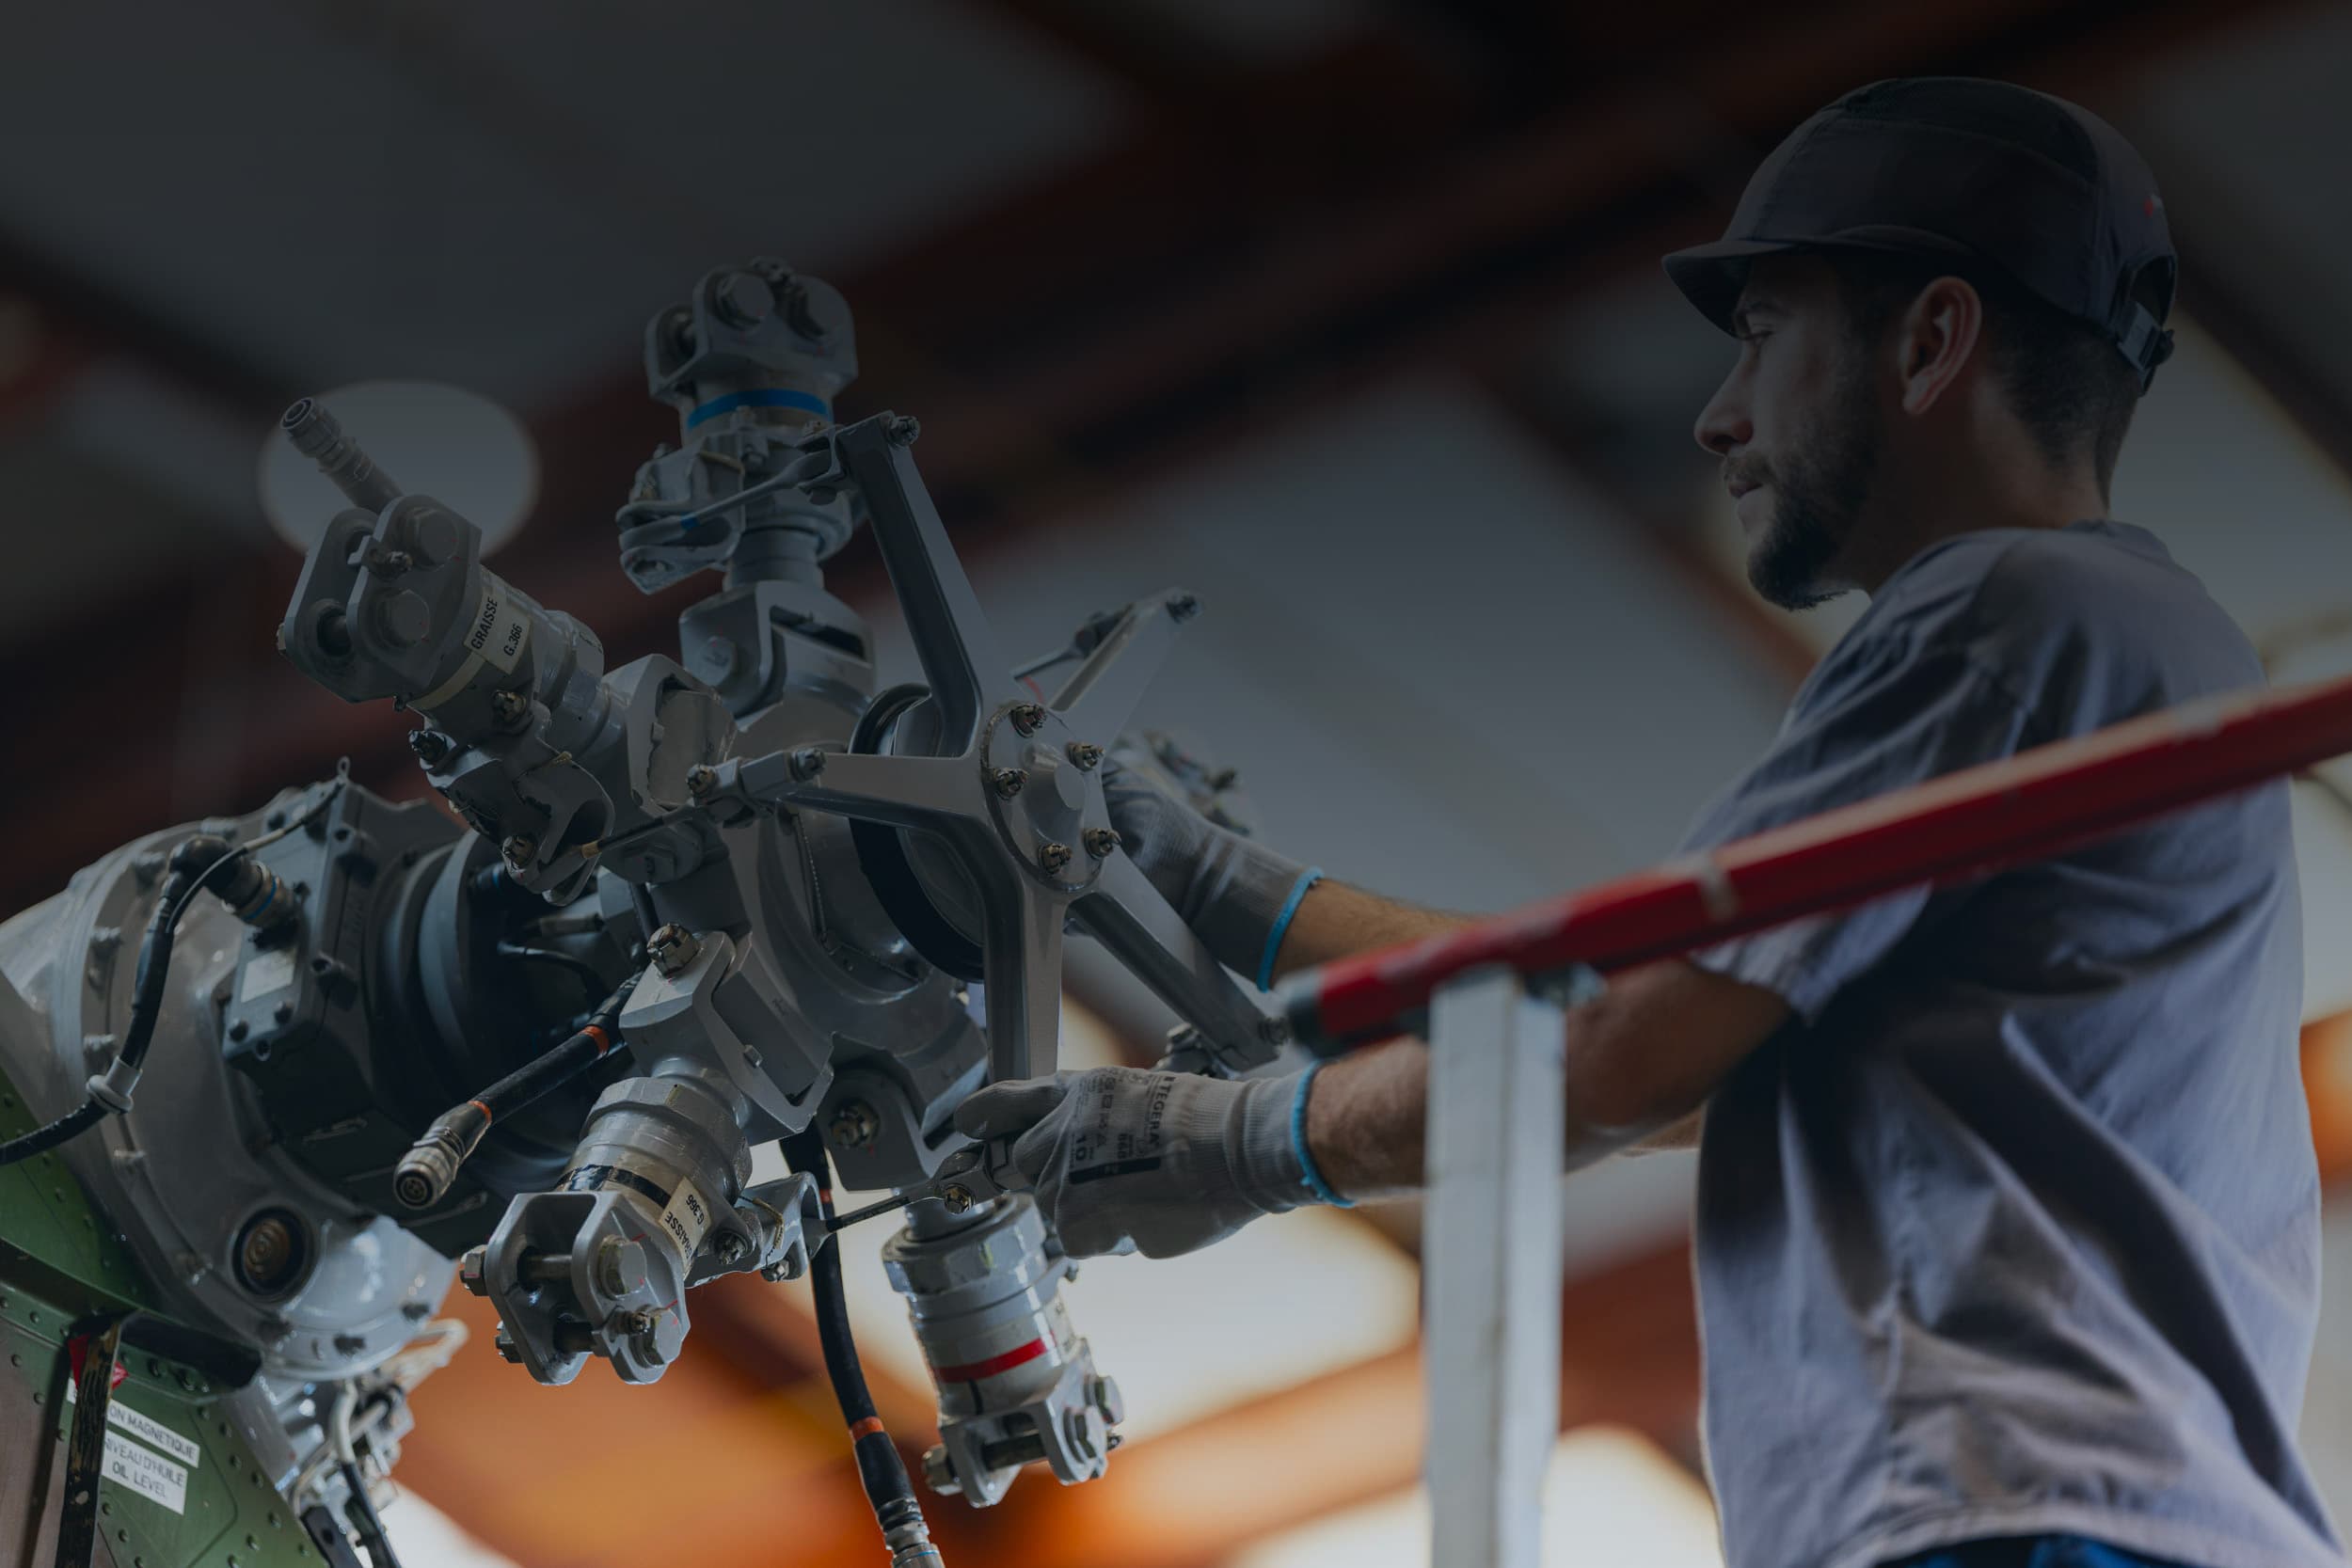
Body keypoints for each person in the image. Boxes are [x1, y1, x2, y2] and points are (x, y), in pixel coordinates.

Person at [955, 78, 2346, 1568]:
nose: (1718, 414)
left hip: (2011, 1521)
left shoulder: (2009, 608)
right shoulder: (2110, 641)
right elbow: (1649, 1031)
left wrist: (1222, 1142)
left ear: (1933, 341)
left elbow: (1622, 1050)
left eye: (1761, 337)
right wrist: (1223, 885)